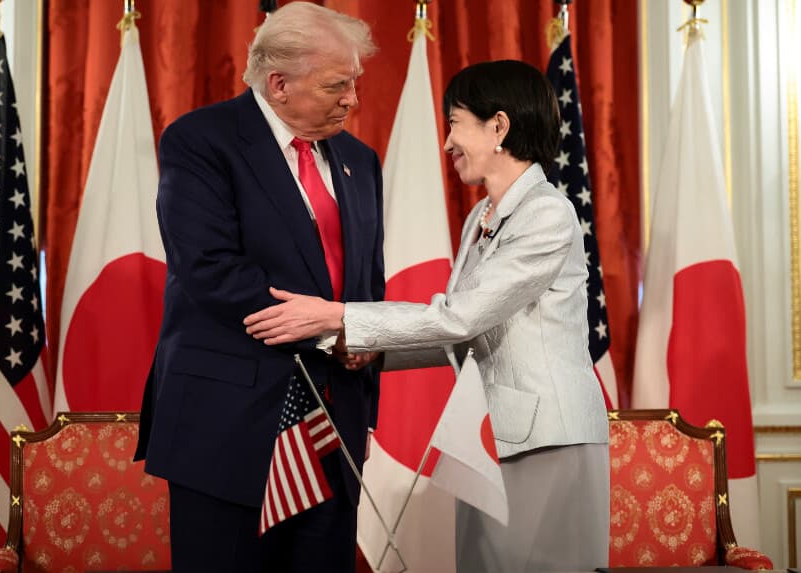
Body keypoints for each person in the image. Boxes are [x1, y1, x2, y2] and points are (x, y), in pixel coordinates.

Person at [244, 60, 610, 572]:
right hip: (489, 436)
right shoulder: (480, 219)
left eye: (456, 123)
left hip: (545, 440)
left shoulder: (546, 213)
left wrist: (339, 316)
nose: (447, 143)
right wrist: (372, 352)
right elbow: (465, 338)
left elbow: (460, 318)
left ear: (499, 127)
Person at [134, 3, 385, 572]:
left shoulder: (358, 160)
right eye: (336, 85)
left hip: (333, 425)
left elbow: (367, 278)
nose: (353, 99)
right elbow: (211, 270)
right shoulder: (201, 141)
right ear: (278, 84)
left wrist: (366, 331)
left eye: (354, 83)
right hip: (227, 422)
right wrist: (332, 332)